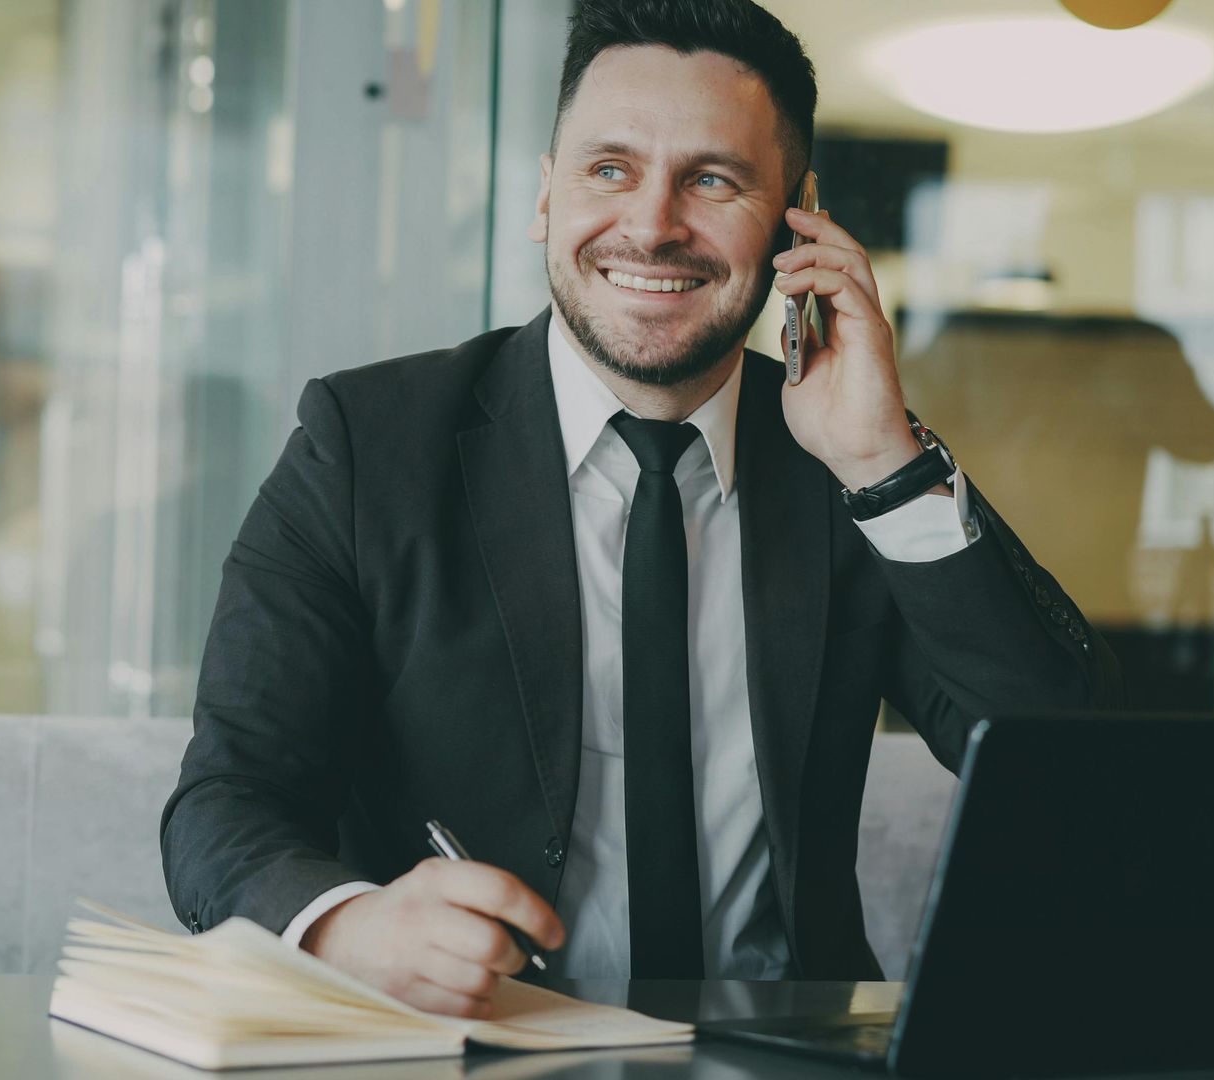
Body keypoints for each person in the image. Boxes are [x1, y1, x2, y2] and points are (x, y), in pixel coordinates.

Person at [162, 0, 1120, 1020]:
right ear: (545, 195)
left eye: (713, 179)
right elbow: (227, 803)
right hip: (465, 1052)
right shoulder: (365, 443)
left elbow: (1073, 770)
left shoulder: (848, 458)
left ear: (802, 217)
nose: (653, 224)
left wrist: (885, 464)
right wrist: (349, 928)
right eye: (609, 169)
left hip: (785, 1062)